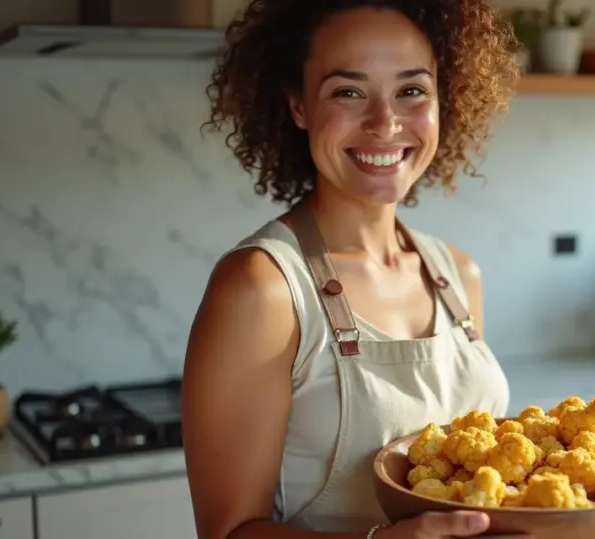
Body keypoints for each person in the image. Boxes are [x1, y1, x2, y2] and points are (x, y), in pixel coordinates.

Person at [180, 1, 529, 539]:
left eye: (412, 90)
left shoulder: (459, 276)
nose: (384, 122)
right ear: (298, 106)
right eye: (348, 91)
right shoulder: (262, 288)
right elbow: (227, 532)